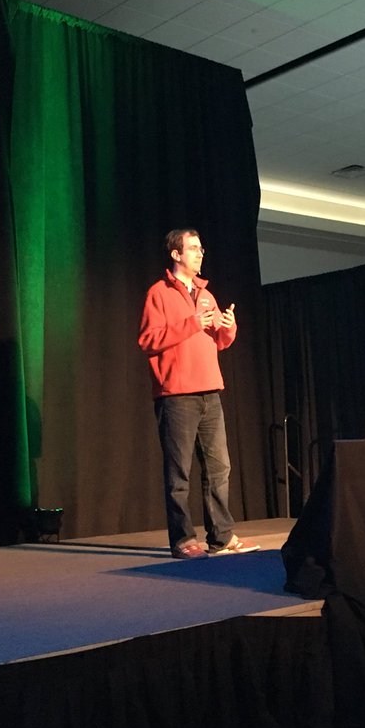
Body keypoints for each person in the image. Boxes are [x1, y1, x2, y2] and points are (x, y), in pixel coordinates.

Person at [138, 228, 261, 560]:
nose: (200, 253)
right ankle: (183, 540)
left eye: (201, 248)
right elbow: (148, 340)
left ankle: (221, 536)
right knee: (179, 473)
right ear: (176, 254)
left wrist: (228, 327)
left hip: (210, 392)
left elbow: (220, 342)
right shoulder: (159, 293)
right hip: (177, 395)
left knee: (220, 469)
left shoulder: (207, 294)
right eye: (193, 248)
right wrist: (192, 323)